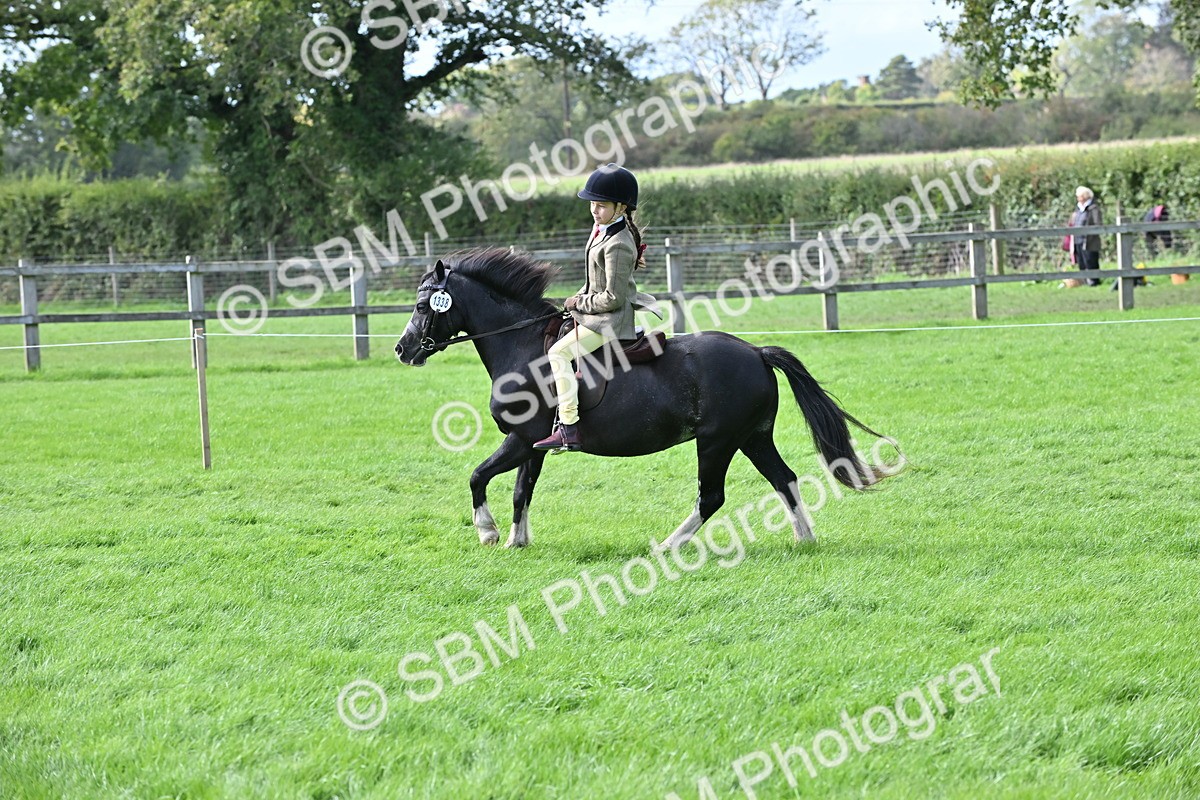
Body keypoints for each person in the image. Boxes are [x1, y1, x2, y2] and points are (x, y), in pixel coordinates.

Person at [533, 163, 655, 453]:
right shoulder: (602, 229)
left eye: (601, 206)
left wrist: (578, 303)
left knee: (558, 352)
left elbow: (611, 297)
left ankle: (568, 428)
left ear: (621, 207)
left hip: (609, 320)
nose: (594, 210)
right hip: (595, 314)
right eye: (592, 204)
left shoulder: (618, 244)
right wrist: (577, 300)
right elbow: (593, 282)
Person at [1071, 186, 1103, 286]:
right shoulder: (1078, 209)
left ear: (1085, 196)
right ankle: (1084, 281)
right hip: (1078, 239)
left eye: (1079, 196)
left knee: (1091, 260)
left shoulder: (1093, 208)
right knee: (1081, 261)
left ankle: (1093, 281)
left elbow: (1098, 223)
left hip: (1090, 240)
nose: (1077, 198)